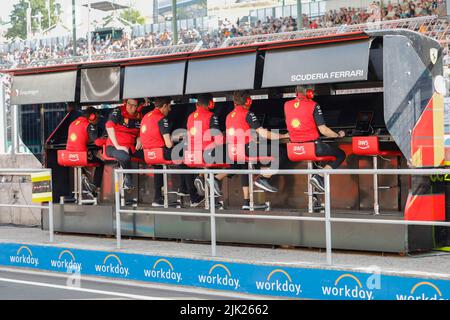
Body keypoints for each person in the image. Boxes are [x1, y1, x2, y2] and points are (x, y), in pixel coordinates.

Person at [226, 90, 289, 210]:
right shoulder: (248, 114)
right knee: (280, 152)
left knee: (245, 167)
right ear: (248, 101)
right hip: (247, 149)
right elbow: (263, 133)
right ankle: (263, 178)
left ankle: (246, 202)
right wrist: (283, 136)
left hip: (234, 151)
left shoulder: (229, 116)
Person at [140, 97, 204, 207]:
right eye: (169, 107)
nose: (169, 110)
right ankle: (193, 197)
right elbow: (168, 143)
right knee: (187, 158)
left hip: (149, 155)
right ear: (164, 106)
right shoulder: (161, 118)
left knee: (159, 167)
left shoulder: (146, 116)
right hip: (161, 153)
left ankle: (157, 198)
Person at [284, 85, 346, 192]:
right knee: (341, 154)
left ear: (296, 91)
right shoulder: (313, 105)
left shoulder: (287, 105)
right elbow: (323, 130)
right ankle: (319, 176)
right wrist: (338, 135)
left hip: (294, 149)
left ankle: (314, 199)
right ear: (309, 92)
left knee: (314, 162)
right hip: (313, 147)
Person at [186, 93, 228, 197]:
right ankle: (213, 180)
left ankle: (202, 177)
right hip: (207, 155)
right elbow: (218, 140)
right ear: (210, 103)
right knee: (236, 158)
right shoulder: (211, 116)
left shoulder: (190, 117)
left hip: (193, 155)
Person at [105, 98, 145, 190]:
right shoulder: (118, 110)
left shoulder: (140, 115)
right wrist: (117, 146)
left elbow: (141, 130)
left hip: (131, 147)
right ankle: (128, 178)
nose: (131, 107)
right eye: (129, 104)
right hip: (113, 146)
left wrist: (140, 138)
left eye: (134, 105)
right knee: (125, 157)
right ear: (125, 104)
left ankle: (156, 194)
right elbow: (109, 126)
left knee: (150, 156)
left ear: (138, 106)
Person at [66, 106, 104, 195]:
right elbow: (97, 142)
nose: (98, 120)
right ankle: (95, 187)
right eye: (97, 118)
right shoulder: (89, 125)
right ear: (92, 116)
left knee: (81, 159)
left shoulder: (73, 123)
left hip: (69, 156)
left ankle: (83, 175)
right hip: (80, 156)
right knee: (100, 163)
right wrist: (107, 140)